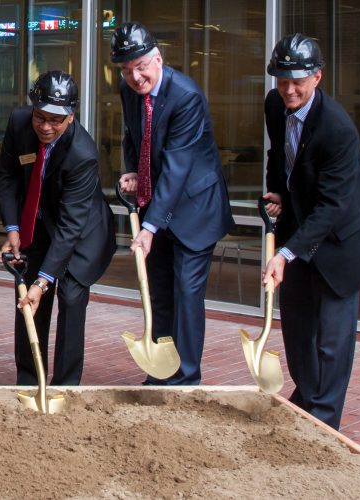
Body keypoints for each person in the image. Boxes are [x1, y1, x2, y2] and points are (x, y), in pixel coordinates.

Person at [261, 34, 360, 430]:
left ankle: (325, 423)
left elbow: (332, 207)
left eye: (298, 80)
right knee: (297, 330)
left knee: (331, 342)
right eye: (282, 80)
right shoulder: (275, 105)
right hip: (300, 231)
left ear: (317, 76)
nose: (289, 89)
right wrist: (277, 191)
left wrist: (284, 254)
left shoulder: (337, 129)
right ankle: (307, 399)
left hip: (341, 243)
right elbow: (278, 156)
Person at [112, 22, 233, 386]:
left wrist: (149, 227)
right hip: (158, 201)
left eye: (141, 66)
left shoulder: (186, 96)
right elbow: (134, 134)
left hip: (194, 209)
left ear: (158, 59)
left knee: (186, 291)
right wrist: (133, 168)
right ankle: (161, 372)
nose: (135, 76)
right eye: (127, 69)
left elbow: (179, 166)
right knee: (159, 290)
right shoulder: (128, 89)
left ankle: (186, 378)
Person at [0, 71, 115, 386]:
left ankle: (66, 386)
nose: (46, 127)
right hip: (37, 222)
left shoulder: (83, 154)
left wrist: (44, 281)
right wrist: (12, 228)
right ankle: (28, 380)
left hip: (81, 232)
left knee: (72, 300)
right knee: (28, 300)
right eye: (40, 117)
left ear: (71, 117)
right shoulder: (20, 122)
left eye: (56, 121)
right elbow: (7, 177)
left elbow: (70, 227)